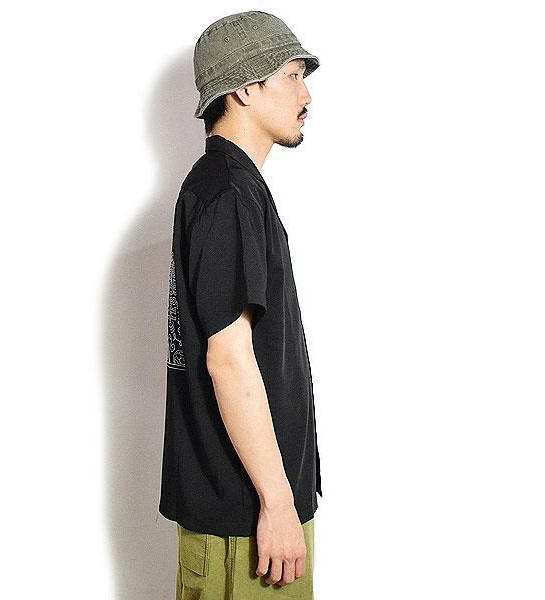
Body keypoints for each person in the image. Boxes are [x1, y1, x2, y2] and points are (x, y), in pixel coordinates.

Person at [159, 10, 322, 599]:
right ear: (246, 89)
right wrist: (277, 504)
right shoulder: (225, 192)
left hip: (250, 517)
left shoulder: (231, 188)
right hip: (247, 527)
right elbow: (228, 359)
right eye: (293, 76)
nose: (306, 95)